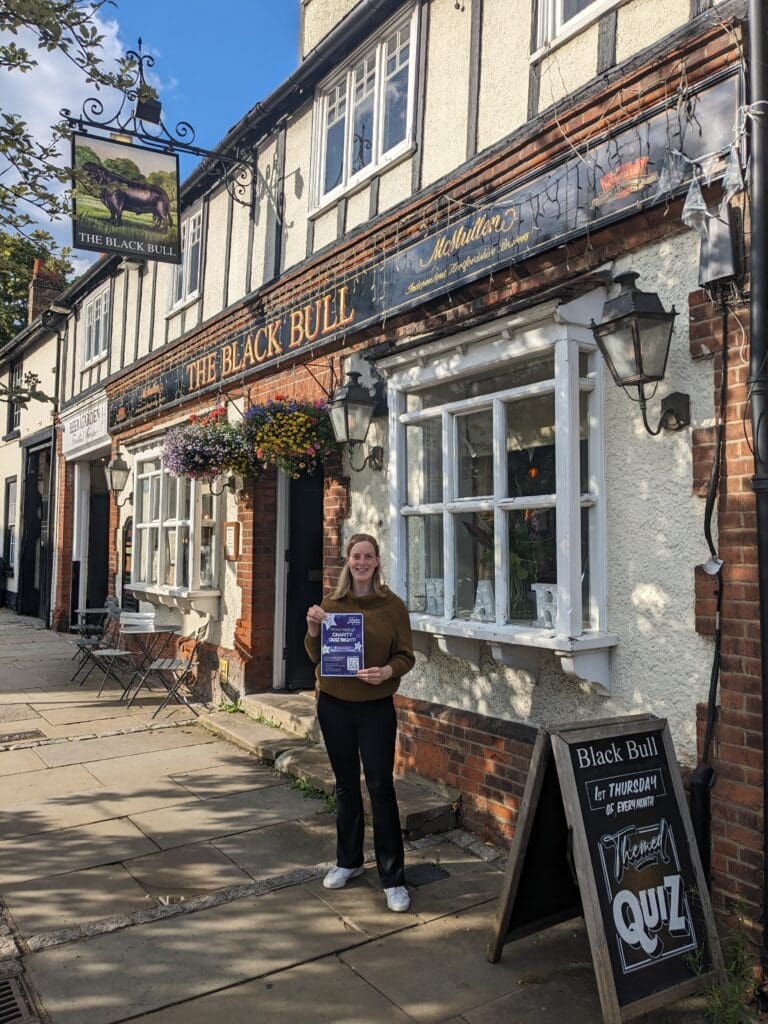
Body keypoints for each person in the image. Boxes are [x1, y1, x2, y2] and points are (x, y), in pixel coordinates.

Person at [305, 532, 415, 913]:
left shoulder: (392, 606)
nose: (362, 562)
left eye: (369, 556)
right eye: (356, 556)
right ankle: (349, 861)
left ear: (377, 561)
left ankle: (393, 878)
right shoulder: (331, 603)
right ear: (348, 561)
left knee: (382, 787)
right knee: (346, 786)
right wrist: (314, 628)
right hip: (334, 705)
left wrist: (386, 671)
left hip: (375, 708)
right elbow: (315, 654)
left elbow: (406, 656)